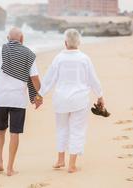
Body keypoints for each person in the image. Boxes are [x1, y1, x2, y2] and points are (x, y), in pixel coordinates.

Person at [35, 28, 105, 173]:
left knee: (61, 128)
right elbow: (93, 80)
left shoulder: (59, 58)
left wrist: (40, 95)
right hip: (79, 100)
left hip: (61, 100)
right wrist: (100, 96)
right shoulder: (84, 58)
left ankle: (60, 159)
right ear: (78, 42)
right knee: (77, 130)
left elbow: (49, 79)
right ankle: (72, 164)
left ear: (65, 42)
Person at [0, 27, 42, 176]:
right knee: (15, 133)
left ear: (8, 38)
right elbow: (34, 79)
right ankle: (10, 168)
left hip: (2, 99)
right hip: (18, 101)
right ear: (21, 39)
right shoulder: (28, 54)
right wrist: (38, 94)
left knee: (0, 130)